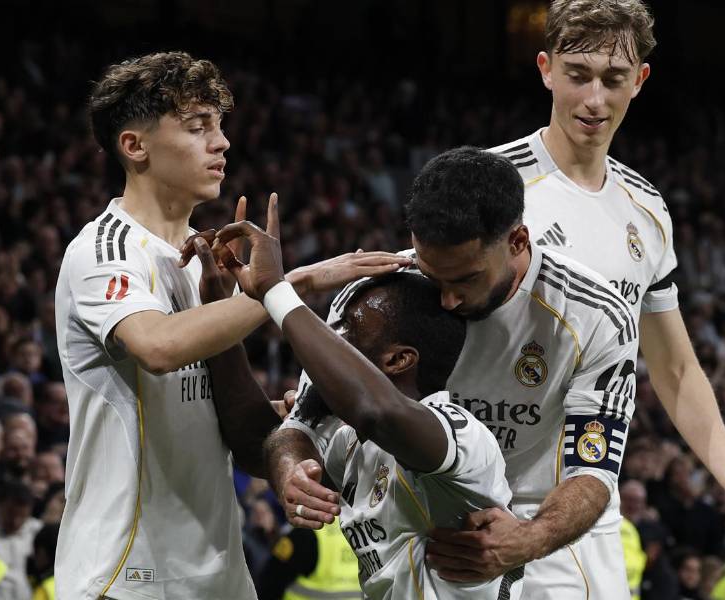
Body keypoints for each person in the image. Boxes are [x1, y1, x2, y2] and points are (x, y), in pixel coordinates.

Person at [54, 50, 408, 600]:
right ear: (135, 146)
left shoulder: (201, 264)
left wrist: (290, 434)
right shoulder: (107, 249)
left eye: (219, 127)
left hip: (219, 573)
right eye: (197, 128)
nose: (220, 143)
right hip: (130, 574)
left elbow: (224, 427)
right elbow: (157, 347)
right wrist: (297, 284)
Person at [481, 0, 725, 580]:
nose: (595, 99)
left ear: (639, 80)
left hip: (590, 512)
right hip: (488, 502)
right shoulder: (490, 184)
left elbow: (675, 371)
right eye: (578, 76)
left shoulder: (648, 211)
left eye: (613, 79)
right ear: (546, 69)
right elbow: (410, 322)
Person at [267, 146, 640, 598]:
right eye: (431, 273)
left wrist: (527, 539)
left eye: (465, 280)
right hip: (422, 521)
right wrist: (291, 470)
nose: (446, 300)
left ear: (517, 241)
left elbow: (593, 468)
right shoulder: (380, 298)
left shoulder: (595, 315)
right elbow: (304, 420)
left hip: (544, 522)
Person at [211, 190, 525, 597]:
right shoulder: (352, 445)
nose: (331, 338)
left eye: (348, 331)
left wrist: (277, 290)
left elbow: (379, 411)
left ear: (398, 360)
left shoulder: (461, 435)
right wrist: (216, 312)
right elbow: (256, 444)